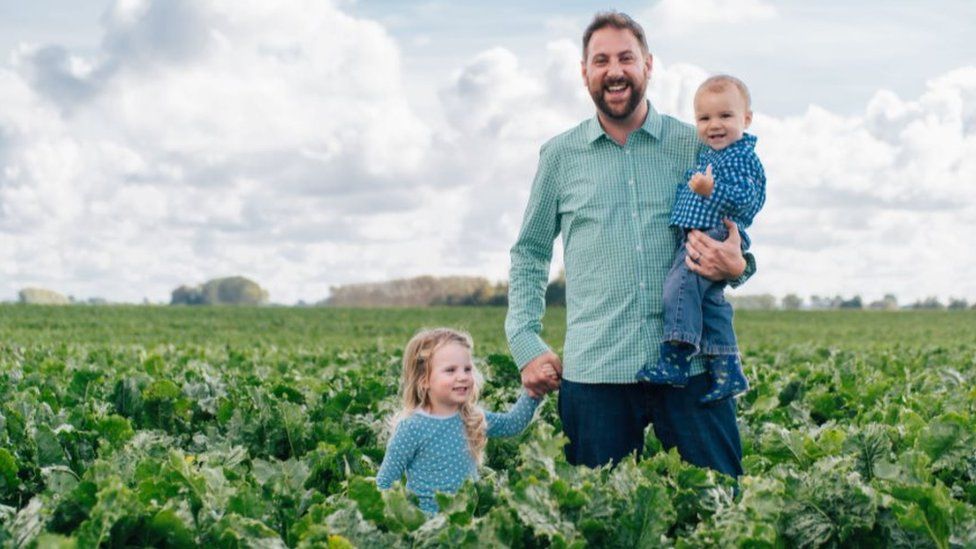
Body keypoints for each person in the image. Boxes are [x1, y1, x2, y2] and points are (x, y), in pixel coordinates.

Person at [506, 11, 754, 477]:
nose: (614, 70)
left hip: (694, 368)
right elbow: (530, 253)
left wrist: (738, 264)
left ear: (648, 65)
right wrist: (525, 339)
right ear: (585, 72)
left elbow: (737, 228)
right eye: (601, 60)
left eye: (626, 57)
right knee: (598, 523)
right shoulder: (560, 156)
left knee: (721, 509)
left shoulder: (695, 143)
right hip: (596, 372)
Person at [635, 74, 766, 404]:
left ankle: (676, 357)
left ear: (746, 119)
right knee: (710, 303)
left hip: (712, 235)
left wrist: (712, 190)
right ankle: (728, 369)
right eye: (704, 118)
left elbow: (748, 198)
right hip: (702, 233)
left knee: (678, 287)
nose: (714, 125)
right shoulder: (710, 154)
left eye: (725, 116)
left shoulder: (740, 157)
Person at [375, 328, 545, 515]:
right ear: (424, 380)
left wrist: (533, 392)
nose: (463, 376)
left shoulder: (471, 417)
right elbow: (385, 482)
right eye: (450, 370)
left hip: (467, 526)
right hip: (428, 532)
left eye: (467, 369)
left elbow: (512, 424)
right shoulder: (411, 428)